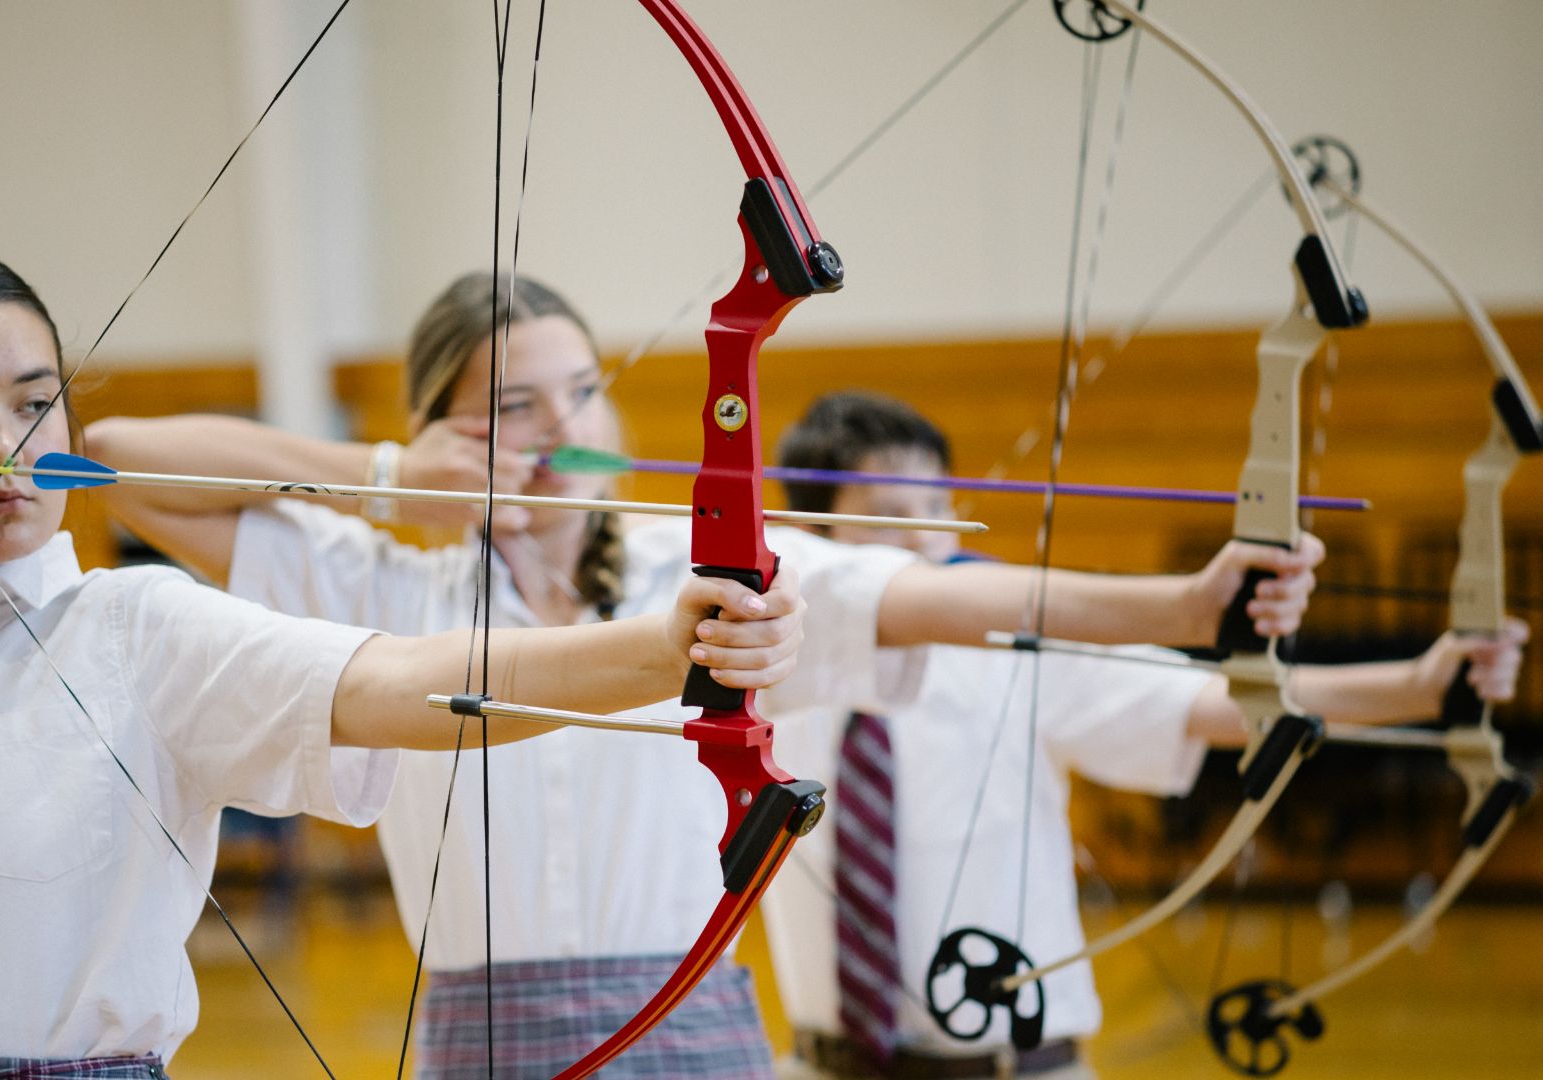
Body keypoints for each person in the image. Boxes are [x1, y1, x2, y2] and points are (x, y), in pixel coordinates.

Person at [83, 272, 1326, 1078]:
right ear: (453, 427)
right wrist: (391, 472)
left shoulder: (697, 565)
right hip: (479, 1040)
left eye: (583, 393)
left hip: (693, 1030)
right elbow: (115, 459)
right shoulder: (380, 583)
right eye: (515, 405)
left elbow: (941, 596)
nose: (564, 425)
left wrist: (1183, 602)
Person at [0, 247, 810, 1079]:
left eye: (38, 405)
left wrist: (668, 648)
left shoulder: (144, 629)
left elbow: (404, 682)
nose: (6, 450)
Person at [759, 391, 1529, 1079]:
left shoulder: (1015, 640)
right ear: (810, 536)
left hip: (1016, 1066)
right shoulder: (767, 662)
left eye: (937, 510)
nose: (923, 539)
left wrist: (1421, 687)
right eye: (889, 513)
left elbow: (1222, 704)